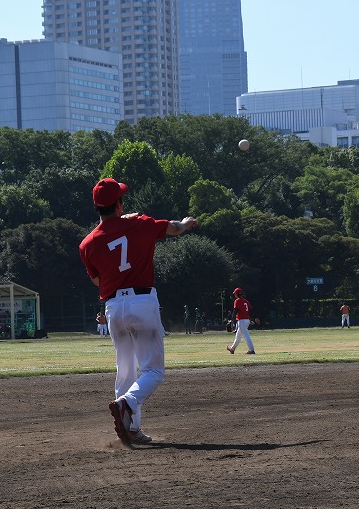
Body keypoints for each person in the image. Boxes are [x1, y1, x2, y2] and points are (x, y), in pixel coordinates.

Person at [78, 177, 198, 446]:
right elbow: (174, 228)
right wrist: (186, 223)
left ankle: (131, 429)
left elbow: (98, 281)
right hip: (141, 302)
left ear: (97, 207)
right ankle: (127, 403)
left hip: (113, 308)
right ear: (119, 204)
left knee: (125, 371)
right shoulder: (140, 223)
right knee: (153, 371)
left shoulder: (87, 244)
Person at [226, 287, 255, 354]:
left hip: (241, 321)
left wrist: (232, 321)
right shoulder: (246, 301)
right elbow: (251, 310)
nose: (234, 295)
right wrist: (254, 318)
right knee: (238, 336)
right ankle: (232, 349)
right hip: (247, 320)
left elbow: (235, 311)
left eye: (235, 294)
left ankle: (251, 350)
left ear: (237, 294)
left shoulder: (237, 301)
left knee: (246, 335)